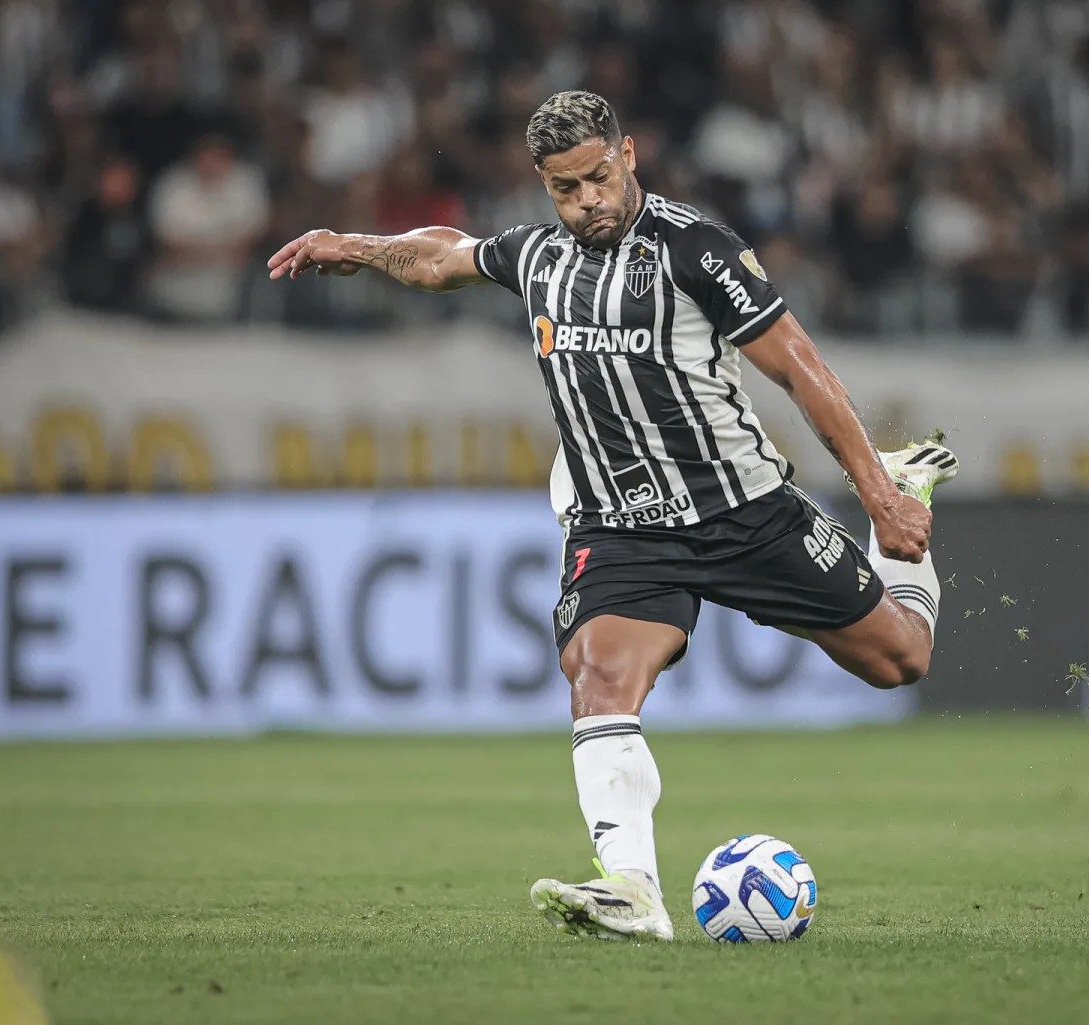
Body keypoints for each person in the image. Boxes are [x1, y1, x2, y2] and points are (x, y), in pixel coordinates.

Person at [266, 91, 958, 943]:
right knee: (599, 680)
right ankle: (632, 889)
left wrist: (878, 497)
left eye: (599, 177)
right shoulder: (535, 256)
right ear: (543, 185)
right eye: (566, 188)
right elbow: (443, 256)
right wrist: (359, 248)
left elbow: (800, 366)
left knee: (902, 660)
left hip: (742, 509)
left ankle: (911, 487)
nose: (588, 200)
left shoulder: (695, 250)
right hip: (621, 526)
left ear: (628, 154)